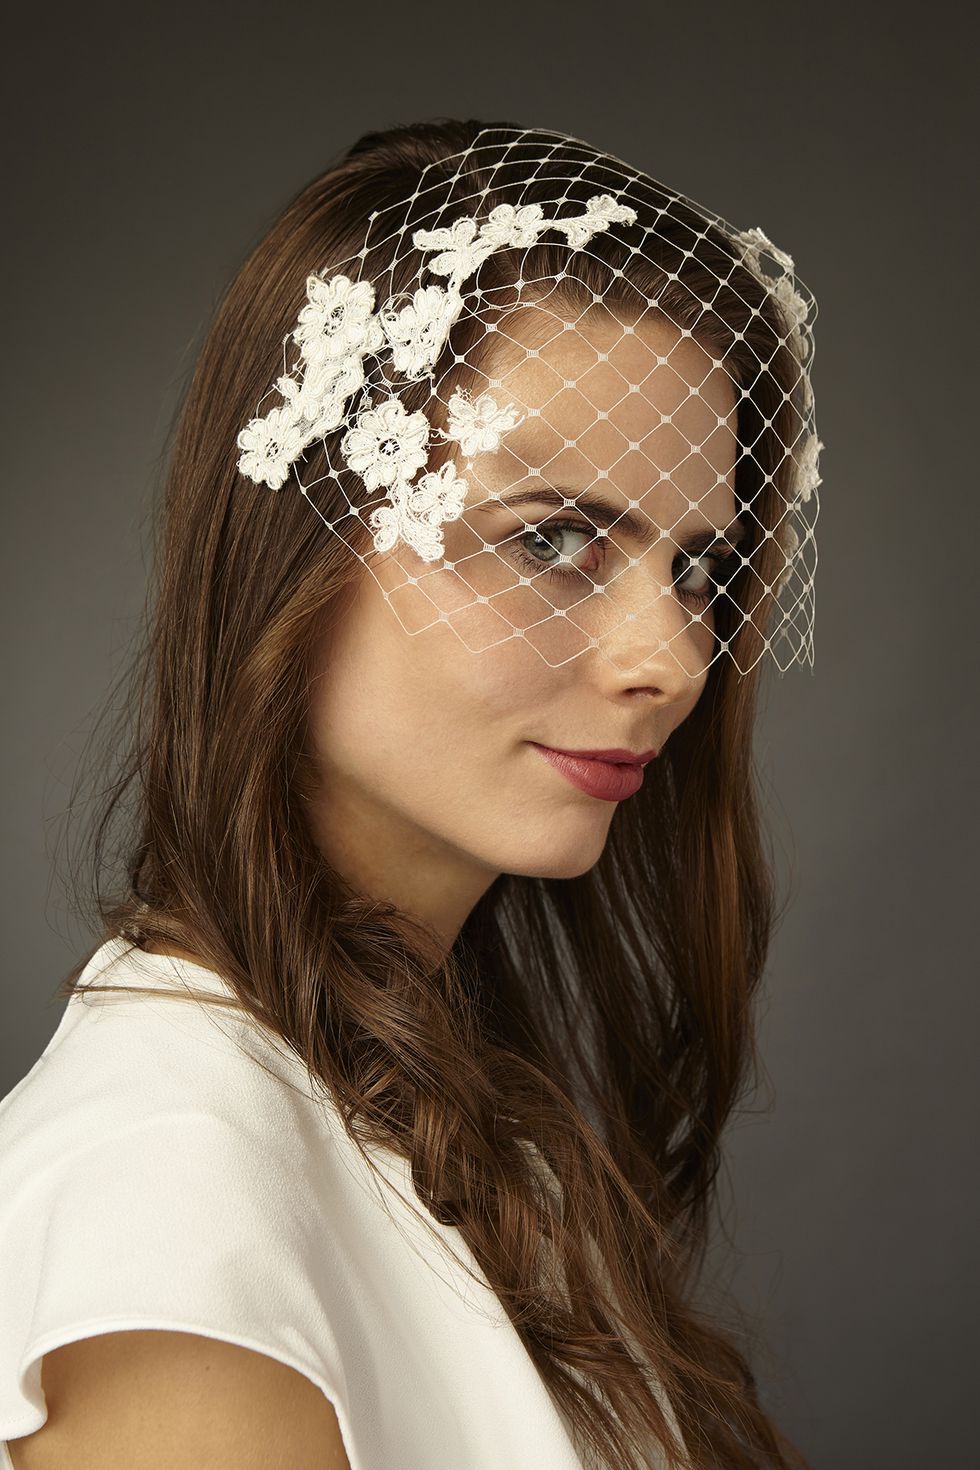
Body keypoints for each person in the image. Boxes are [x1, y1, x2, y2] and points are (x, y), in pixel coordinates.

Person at [0, 118, 820, 1469]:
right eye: (551, 536)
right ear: (299, 547)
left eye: (694, 563)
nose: (669, 659)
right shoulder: (172, 1215)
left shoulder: (452, 1116)